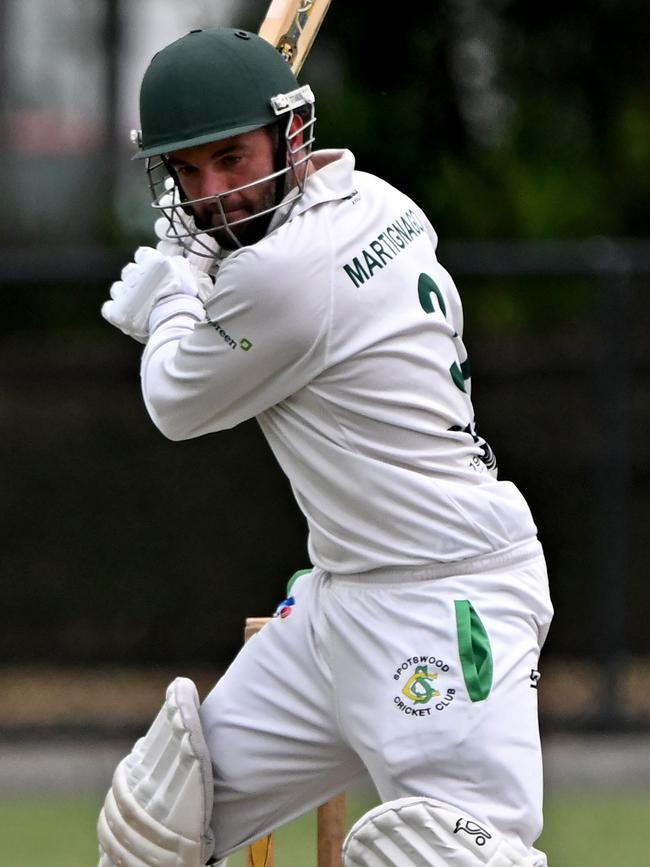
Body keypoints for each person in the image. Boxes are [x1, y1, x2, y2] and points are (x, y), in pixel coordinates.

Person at [96, 26, 553, 867]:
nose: (216, 192)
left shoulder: (285, 278)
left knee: (457, 856)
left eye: (232, 159)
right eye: (190, 172)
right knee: (151, 831)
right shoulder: (382, 203)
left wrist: (172, 300)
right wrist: (199, 277)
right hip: (340, 600)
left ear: (291, 134)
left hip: (444, 603)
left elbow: (172, 401)